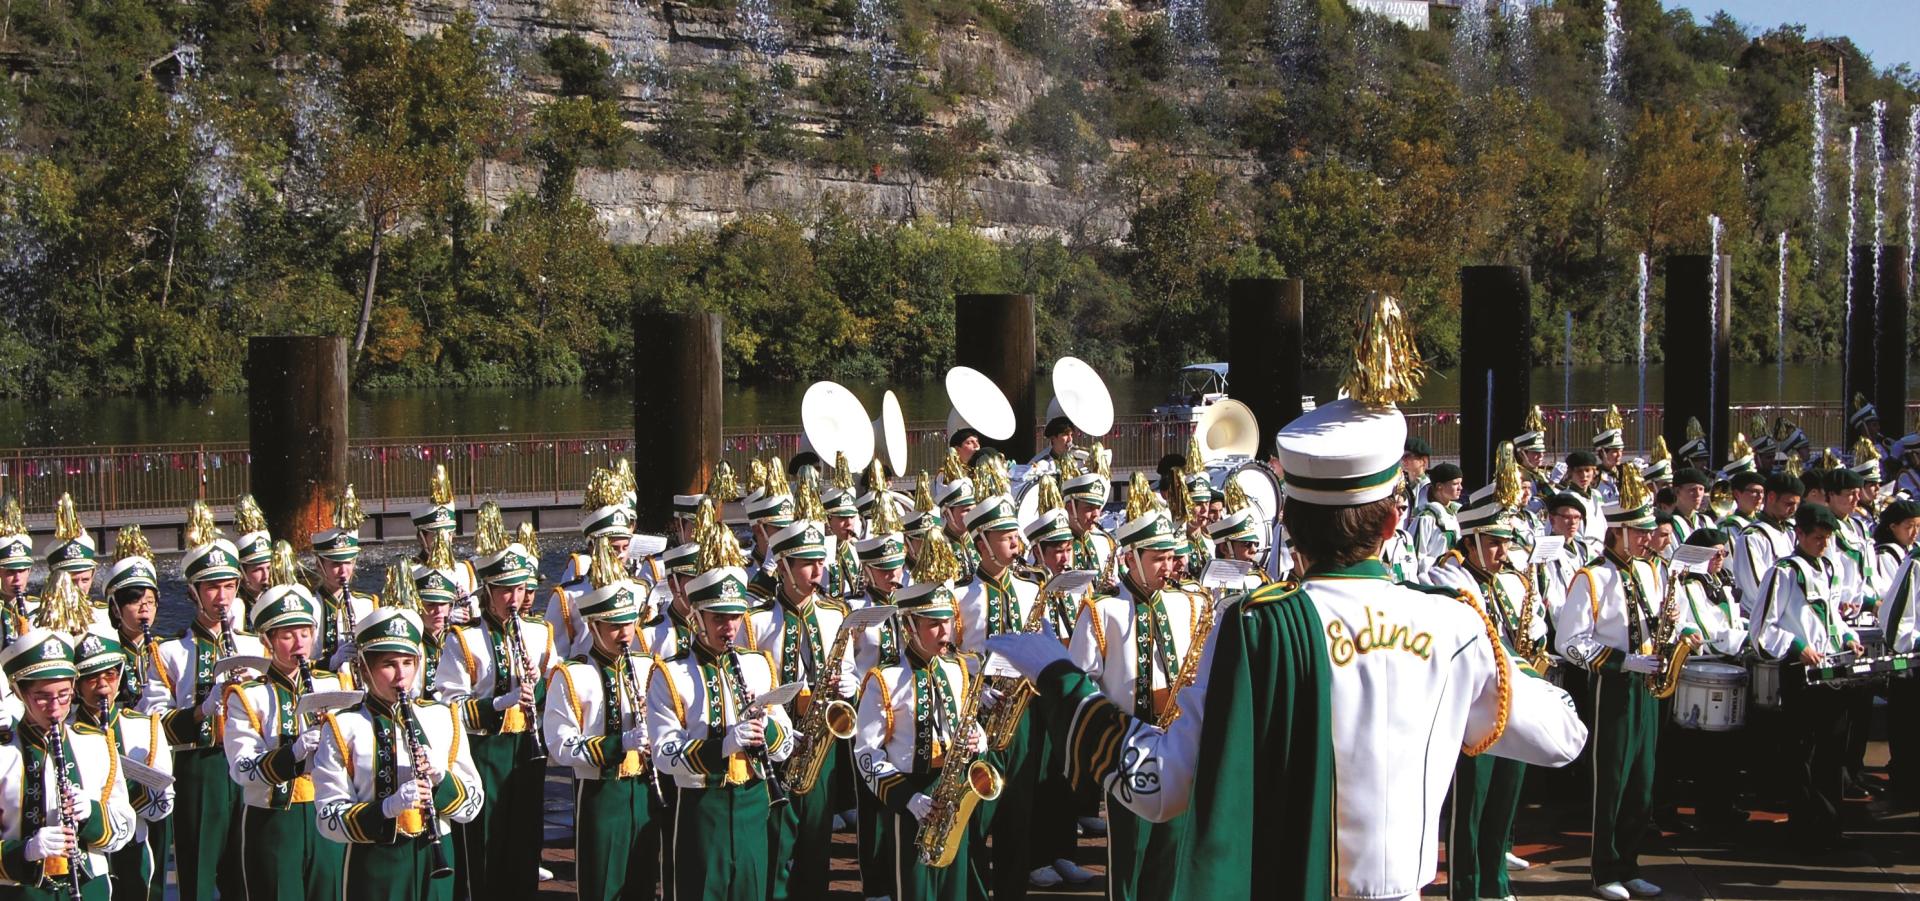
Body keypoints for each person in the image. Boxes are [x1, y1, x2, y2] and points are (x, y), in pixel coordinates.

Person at [989, 293, 1586, 901]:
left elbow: (1159, 787)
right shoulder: (1453, 625)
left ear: (1289, 526)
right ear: (1391, 523)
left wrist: (1063, 679)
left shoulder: (1254, 627)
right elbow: (1562, 738)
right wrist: (1478, 630)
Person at [1064, 483, 1209, 901]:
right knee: (1130, 855)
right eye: (1158, 558)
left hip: (1180, 740)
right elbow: (1081, 682)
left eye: (1170, 556)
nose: (1169, 566)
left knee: (1172, 849)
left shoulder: (1191, 603)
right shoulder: (1102, 611)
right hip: (1127, 743)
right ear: (1130, 558)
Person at [1557, 462, 1693, 900]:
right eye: (1637, 533)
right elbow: (1569, 642)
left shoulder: (1653, 571)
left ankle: (1630, 862)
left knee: (1643, 779)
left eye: (1648, 533)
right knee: (1611, 779)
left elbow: (1663, 620)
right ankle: (1603, 871)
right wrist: (1621, 662)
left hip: (1649, 685)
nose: (1646, 540)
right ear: (1616, 532)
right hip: (1612, 687)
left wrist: (1676, 629)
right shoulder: (1592, 578)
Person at [647, 529, 795, 901]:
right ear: (696, 615)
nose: (728, 628)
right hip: (701, 806)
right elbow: (663, 754)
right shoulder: (670, 674)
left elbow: (786, 742)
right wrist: (723, 745)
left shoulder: (758, 665)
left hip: (752, 800)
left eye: (734, 617)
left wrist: (769, 732)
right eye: (718, 618)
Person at [311, 607, 486, 900]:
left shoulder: (442, 718)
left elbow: (473, 805)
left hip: (435, 856)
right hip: (375, 864)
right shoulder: (344, 726)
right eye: (389, 664)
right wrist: (386, 808)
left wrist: (441, 780)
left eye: (408, 662)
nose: (401, 676)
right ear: (365, 669)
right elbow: (328, 817)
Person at [143, 505, 265, 901]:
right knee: (196, 871)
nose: (223, 597)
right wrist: (201, 709)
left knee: (246, 872)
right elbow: (155, 723)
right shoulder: (170, 651)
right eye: (212, 587)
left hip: (246, 764)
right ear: (193, 592)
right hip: (199, 766)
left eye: (229, 585)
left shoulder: (255, 645)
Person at [853, 547, 988, 901]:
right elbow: (866, 752)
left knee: (953, 890)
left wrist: (979, 739)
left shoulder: (958, 669)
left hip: (952, 792)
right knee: (913, 890)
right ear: (909, 625)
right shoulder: (884, 679)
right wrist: (907, 798)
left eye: (947, 622)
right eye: (933, 624)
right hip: (909, 795)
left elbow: (969, 723)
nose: (945, 632)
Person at [221, 559, 348, 901]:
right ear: (267, 639)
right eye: (288, 635)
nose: (299, 643)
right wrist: (291, 753)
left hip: (325, 813)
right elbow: (242, 768)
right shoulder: (249, 696)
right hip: (273, 819)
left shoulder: (333, 684)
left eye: (305, 633)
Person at [436, 538, 554, 901]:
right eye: (505, 589)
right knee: (486, 843)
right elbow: (448, 704)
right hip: (484, 752)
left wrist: (539, 687)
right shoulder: (464, 639)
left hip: (526, 753)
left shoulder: (538, 633)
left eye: (520, 588)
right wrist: (497, 704)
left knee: (524, 840)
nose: (514, 598)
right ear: (488, 589)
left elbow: (557, 696)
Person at [543, 541, 662, 901]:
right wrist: (617, 744)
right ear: (592, 626)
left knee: (643, 882)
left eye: (629, 623)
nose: (626, 634)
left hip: (644, 789)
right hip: (599, 791)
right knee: (602, 885)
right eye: (614, 626)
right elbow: (560, 745)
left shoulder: (648, 666)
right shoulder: (572, 675)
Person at [1750, 502, 1864, 850]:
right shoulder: (1783, 572)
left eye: (1828, 539)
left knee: (1833, 752)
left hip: (1832, 671)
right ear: (1799, 534)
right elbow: (1762, 628)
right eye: (1817, 538)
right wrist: (1797, 645)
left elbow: (1831, 616)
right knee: (1803, 754)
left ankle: (1830, 828)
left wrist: (1848, 637)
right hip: (1801, 672)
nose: (1824, 545)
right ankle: (1805, 829)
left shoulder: (1830, 566)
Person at [751, 520, 854, 901]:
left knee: (817, 841)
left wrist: (851, 685)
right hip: (776, 746)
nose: (818, 572)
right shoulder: (757, 620)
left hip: (821, 744)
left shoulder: (834, 613)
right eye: (808, 564)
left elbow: (851, 670)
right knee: (777, 840)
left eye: (820, 562)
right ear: (783, 567)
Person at [0, 628, 136, 900]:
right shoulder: (5, 754)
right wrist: (24, 851)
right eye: (42, 697)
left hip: (90, 885)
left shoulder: (95, 744)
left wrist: (92, 814)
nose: (55, 708)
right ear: (19, 692)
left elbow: (125, 827)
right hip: (19, 892)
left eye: (63, 695)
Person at [954, 495, 1044, 900]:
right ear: (982, 543)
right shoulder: (957, 595)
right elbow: (946, 653)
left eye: (1015, 536)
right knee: (974, 808)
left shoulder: (1030, 588)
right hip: (977, 713)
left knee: (1019, 812)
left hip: (1021, 712)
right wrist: (976, 684)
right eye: (1007, 537)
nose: (1017, 544)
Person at [73, 629, 173, 901]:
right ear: (76, 685)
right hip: (87, 855)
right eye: (92, 678)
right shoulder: (65, 732)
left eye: (111, 675)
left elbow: (162, 808)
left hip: (135, 845)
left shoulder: (146, 727)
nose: (103, 687)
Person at [549, 499, 638, 659]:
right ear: (593, 548)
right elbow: (555, 653)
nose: (621, 555)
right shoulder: (569, 595)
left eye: (625, 547)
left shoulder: (637, 589)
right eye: (613, 548)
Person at [309, 494, 377, 676]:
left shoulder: (367, 604)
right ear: (319, 565)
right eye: (335, 564)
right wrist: (331, 662)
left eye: (348, 563)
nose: (343, 571)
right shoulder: (309, 606)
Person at [1733, 473, 1803, 617]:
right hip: (1763, 617)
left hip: (1789, 614)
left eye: (1796, 504)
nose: (1793, 509)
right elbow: (1757, 588)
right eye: (1788, 504)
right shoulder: (1752, 537)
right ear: (1771, 497)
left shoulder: (1790, 532)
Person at [1408, 462, 1463, 581]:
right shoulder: (1426, 518)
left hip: (1454, 579)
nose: (1460, 488)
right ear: (1439, 486)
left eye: (1460, 483)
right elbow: (1415, 558)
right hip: (1432, 583)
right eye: (1455, 484)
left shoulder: (1457, 513)